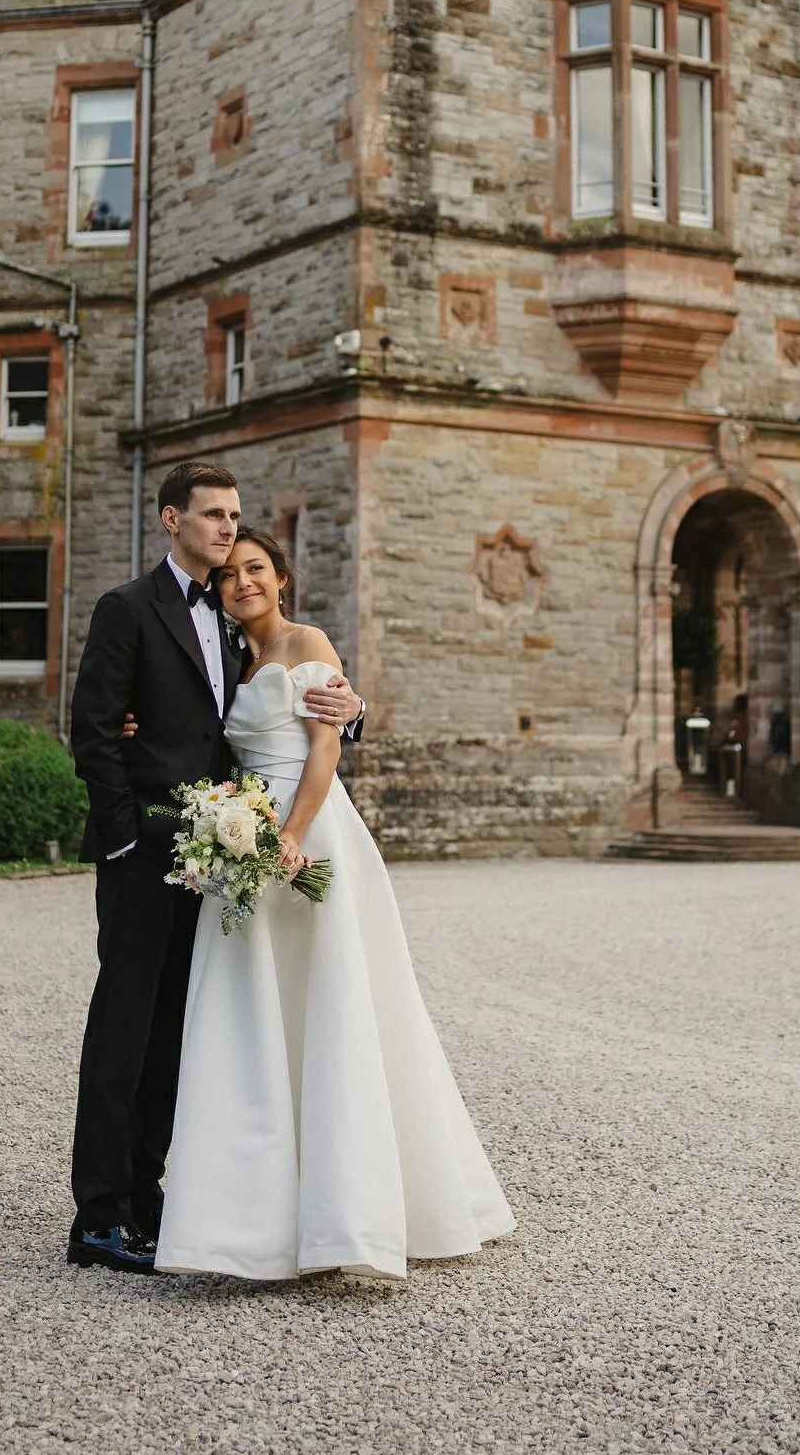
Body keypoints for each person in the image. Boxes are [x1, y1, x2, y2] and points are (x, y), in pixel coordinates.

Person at [153, 525, 514, 1280]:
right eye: (229, 575)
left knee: (333, 1002)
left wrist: (290, 834)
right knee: (252, 1011)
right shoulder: (228, 656)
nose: (242, 583)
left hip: (308, 833)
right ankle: (249, 1222)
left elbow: (325, 750)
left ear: (282, 577)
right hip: (244, 835)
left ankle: (351, 1214)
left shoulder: (308, 641)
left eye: (256, 569)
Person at [66, 461, 365, 1273]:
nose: (228, 528)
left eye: (235, 516)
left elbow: (282, 711)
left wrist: (353, 710)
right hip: (144, 855)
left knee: (177, 1031)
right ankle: (98, 1218)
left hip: (215, 860)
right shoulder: (128, 609)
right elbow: (93, 729)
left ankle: (148, 1196)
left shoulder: (235, 625)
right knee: (124, 1030)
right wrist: (124, 838)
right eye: (213, 515)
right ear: (173, 520)